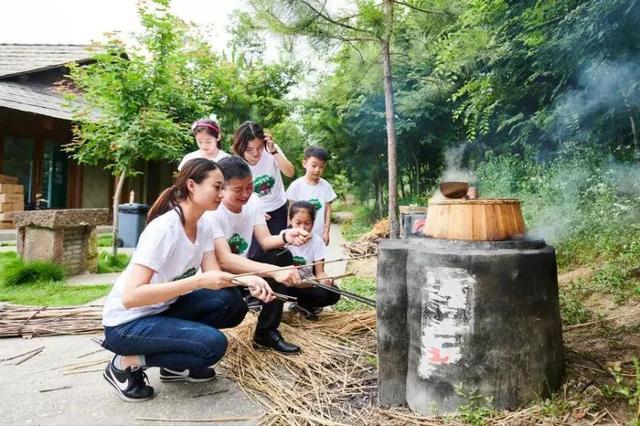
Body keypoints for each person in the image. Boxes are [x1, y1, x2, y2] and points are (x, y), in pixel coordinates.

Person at [101, 158, 275, 402]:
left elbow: (215, 277)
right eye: (217, 187)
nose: (222, 194)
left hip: (161, 309)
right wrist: (197, 282)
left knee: (231, 303)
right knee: (212, 346)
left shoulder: (202, 224)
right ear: (192, 186)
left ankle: (174, 367)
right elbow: (131, 297)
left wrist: (251, 281)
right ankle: (124, 362)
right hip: (127, 324)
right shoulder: (165, 229)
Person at [204, 156, 310, 354]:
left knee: (282, 257)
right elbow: (224, 260)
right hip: (220, 278)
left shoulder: (253, 201)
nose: (245, 194)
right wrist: (273, 272)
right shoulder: (212, 212)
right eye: (238, 189)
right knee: (234, 306)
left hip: (243, 271)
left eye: (249, 186)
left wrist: (288, 235)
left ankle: (266, 333)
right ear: (222, 188)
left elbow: (266, 241)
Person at [231, 121, 294, 256]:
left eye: (259, 147)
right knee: (255, 254)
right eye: (249, 149)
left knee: (278, 253)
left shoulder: (271, 150)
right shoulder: (237, 163)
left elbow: (290, 172)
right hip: (253, 212)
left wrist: (274, 152)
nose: (256, 153)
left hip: (277, 209)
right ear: (240, 147)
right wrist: (255, 210)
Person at [286, 201, 341, 320]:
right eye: (298, 223)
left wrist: (324, 280)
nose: (302, 228)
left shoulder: (317, 241)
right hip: (287, 286)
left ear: (313, 223)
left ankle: (304, 305)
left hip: (307, 285)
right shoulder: (283, 238)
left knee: (333, 292)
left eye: (308, 223)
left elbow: (320, 272)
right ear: (290, 220)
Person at [285, 146, 337, 245]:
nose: (317, 170)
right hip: (299, 234)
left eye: (321, 166)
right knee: (297, 259)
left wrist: (326, 232)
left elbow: (327, 211)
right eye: (314, 165)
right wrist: (289, 229)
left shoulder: (325, 186)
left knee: (318, 259)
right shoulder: (296, 185)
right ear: (304, 163)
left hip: (318, 235)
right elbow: (290, 210)